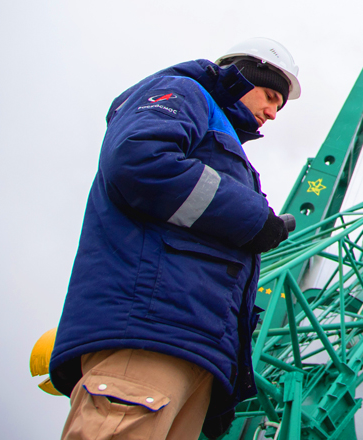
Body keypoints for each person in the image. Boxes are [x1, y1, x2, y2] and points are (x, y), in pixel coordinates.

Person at [50, 38, 302, 440]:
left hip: (194, 351)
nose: (272, 113)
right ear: (242, 76)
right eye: (270, 96)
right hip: (150, 335)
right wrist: (255, 218)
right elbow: (139, 160)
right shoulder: (184, 93)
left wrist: (225, 375)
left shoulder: (223, 141)